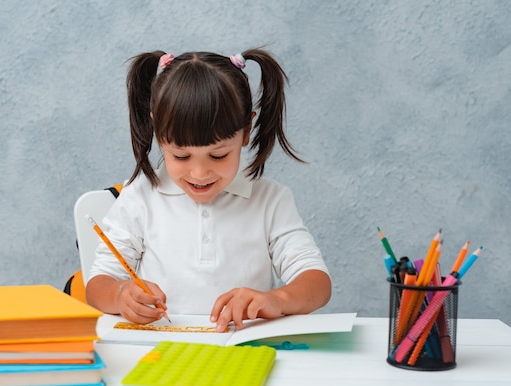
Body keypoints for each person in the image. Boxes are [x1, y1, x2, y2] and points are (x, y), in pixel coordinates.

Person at [86, 48, 331, 332]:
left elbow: (318, 283)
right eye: (180, 157)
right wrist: (120, 296)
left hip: (244, 352)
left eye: (218, 156)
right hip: (161, 352)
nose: (199, 174)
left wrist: (276, 300)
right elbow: (97, 285)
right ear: (156, 129)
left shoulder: (270, 200)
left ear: (247, 130)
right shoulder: (140, 198)